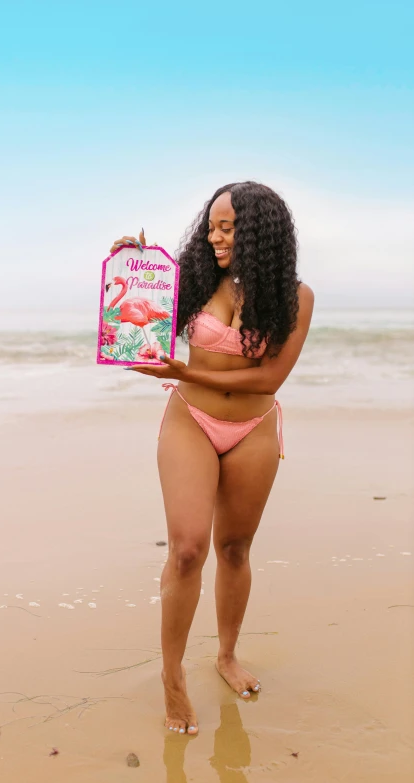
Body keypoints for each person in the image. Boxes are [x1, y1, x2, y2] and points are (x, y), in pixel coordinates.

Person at [110, 182, 314, 736]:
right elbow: (133, 321)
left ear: (259, 232)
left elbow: (270, 376)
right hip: (190, 421)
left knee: (235, 547)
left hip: (253, 426)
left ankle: (226, 655)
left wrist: (184, 369)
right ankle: (172, 677)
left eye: (227, 227)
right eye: (212, 225)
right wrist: (132, 266)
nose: (214, 235)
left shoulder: (294, 297)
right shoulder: (193, 280)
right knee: (188, 550)